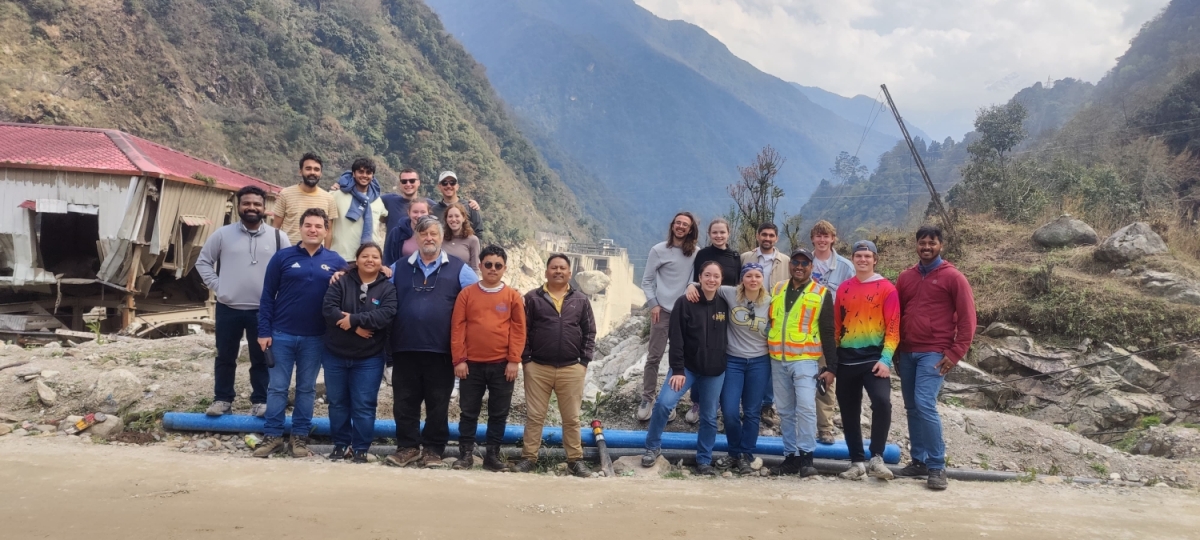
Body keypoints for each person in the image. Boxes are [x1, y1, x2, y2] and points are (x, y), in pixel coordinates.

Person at [383, 216, 480, 468]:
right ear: (416, 238)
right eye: (423, 234)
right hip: (404, 347)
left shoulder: (460, 269)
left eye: (433, 234)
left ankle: (433, 450)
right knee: (404, 402)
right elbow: (378, 293)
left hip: (442, 350)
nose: (429, 238)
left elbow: (477, 299)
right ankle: (407, 448)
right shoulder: (398, 267)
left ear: (441, 238)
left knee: (438, 402)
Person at [253, 209, 346, 458]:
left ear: (326, 230)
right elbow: (267, 296)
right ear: (301, 228)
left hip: (316, 337)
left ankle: (300, 439)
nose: (313, 230)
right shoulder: (283, 257)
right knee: (277, 388)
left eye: (318, 226)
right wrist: (264, 331)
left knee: (306, 389)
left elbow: (360, 278)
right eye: (308, 225)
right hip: (281, 334)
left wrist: (384, 270)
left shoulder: (336, 260)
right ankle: (272, 436)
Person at [195, 186, 290, 418]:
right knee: (225, 356)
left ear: (264, 208)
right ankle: (223, 399)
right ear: (238, 206)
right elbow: (203, 262)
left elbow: (287, 269)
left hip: (263, 310)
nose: (251, 208)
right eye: (246, 203)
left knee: (262, 358)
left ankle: (260, 401)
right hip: (229, 308)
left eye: (257, 204)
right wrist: (220, 287)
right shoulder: (222, 234)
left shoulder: (278, 237)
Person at [895, 225, 977, 491]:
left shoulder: (953, 277)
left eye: (932, 242)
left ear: (941, 245)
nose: (926, 247)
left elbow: (968, 321)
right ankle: (918, 460)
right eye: (922, 242)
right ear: (916, 245)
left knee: (924, 403)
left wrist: (954, 353)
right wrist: (894, 350)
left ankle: (936, 465)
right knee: (911, 406)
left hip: (934, 351)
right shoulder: (906, 277)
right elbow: (896, 315)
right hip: (906, 352)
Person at [512, 254, 596, 477]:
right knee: (535, 416)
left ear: (569, 273)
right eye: (553, 268)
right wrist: (527, 360)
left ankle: (575, 461)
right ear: (546, 271)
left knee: (571, 418)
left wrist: (584, 362)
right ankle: (529, 458)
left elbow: (589, 332)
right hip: (538, 368)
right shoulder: (532, 298)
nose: (558, 271)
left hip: (571, 368)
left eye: (562, 268)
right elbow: (523, 331)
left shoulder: (580, 300)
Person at [641, 261, 729, 475]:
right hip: (687, 367)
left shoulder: (725, 304)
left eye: (716, 276)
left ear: (721, 280)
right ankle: (652, 447)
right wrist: (678, 370)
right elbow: (677, 337)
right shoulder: (685, 302)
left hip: (714, 371)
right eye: (707, 275)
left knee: (708, 417)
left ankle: (704, 460)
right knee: (664, 403)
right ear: (699, 277)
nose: (711, 280)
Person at [683, 262, 771, 475]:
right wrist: (690, 286)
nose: (753, 280)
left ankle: (746, 455)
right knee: (730, 411)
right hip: (733, 361)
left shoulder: (770, 302)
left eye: (757, 276)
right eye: (748, 275)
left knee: (751, 412)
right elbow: (707, 284)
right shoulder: (730, 293)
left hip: (760, 361)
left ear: (762, 279)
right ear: (742, 279)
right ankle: (734, 451)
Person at [450, 245, 526, 471]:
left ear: (505, 268)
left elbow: (519, 329)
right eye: (488, 264)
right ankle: (465, 455)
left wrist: (514, 360)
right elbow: (457, 328)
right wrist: (459, 359)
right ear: (480, 266)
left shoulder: (512, 296)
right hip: (471, 365)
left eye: (498, 265)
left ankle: (492, 456)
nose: (493, 269)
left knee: (499, 412)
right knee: (468, 411)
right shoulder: (467, 294)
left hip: (503, 366)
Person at [320, 242, 396, 463]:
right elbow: (328, 309)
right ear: (357, 259)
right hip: (335, 354)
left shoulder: (388, 288)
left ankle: (361, 447)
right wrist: (356, 327)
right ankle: (340, 444)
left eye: (375, 256)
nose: (370, 260)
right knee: (337, 402)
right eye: (365, 256)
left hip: (369, 358)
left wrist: (352, 319)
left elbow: (386, 315)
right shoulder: (341, 282)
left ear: (381, 262)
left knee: (364, 403)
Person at [832, 240, 898, 481]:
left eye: (867, 256)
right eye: (858, 256)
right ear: (853, 259)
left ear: (875, 259)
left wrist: (886, 359)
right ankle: (857, 461)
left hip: (874, 359)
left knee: (882, 403)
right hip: (846, 360)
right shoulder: (843, 288)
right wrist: (833, 361)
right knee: (849, 412)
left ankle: (877, 457)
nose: (862, 260)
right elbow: (837, 326)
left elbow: (893, 328)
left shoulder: (886, 288)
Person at [767, 248, 836, 477]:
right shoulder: (777, 289)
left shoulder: (821, 293)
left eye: (804, 263)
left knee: (806, 407)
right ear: (790, 265)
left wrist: (832, 368)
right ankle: (790, 457)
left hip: (806, 360)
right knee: (786, 411)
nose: (799, 266)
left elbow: (828, 331)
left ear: (811, 267)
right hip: (778, 359)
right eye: (795, 261)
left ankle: (807, 457)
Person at [637, 212, 699, 421]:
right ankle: (648, 397)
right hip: (662, 311)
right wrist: (653, 304)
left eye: (685, 224)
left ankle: (669, 400)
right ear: (673, 226)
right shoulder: (659, 250)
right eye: (678, 223)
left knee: (678, 359)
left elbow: (694, 281)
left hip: (684, 314)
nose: (681, 227)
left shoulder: (695, 253)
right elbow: (646, 281)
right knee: (654, 356)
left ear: (690, 229)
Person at [682, 217, 740, 424]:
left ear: (728, 234)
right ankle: (697, 401)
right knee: (701, 349)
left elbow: (739, 285)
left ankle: (716, 401)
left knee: (722, 352)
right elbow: (696, 277)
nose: (718, 236)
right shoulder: (703, 254)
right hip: (704, 306)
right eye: (715, 232)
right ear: (709, 234)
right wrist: (690, 285)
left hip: (727, 309)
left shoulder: (735, 256)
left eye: (722, 232)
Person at [809, 219, 854, 444]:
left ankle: (825, 428)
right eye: (818, 236)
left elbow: (854, 299)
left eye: (826, 236)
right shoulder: (804, 263)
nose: (822, 240)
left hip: (832, 332)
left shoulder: (845, 267)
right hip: (804, 331)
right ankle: (802, 425)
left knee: (825, 378)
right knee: (801, 377)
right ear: (812, 239)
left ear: (833, 239)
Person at [741, 223, 788, 423]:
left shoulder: (786, 261)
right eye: (764, 234)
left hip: (775, 315)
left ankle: (767, 404)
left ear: (776, 238)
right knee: (747, 355)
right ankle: (745, 403)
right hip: (750, 314)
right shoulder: (746, 257)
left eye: (771, 235)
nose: (767, 238)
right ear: (757, 236)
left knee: (771, 358)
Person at [271, 153, 339, 247]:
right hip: (289, 253)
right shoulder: (285, 194)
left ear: (321, 173)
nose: (312, 172)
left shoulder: (329, 199)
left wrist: (326, 254)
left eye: (316, 169)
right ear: (300, 171)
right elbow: (275, 228)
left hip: (317, 256)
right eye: (308, 168)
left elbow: (329, 232)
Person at [329, 158, 387, 261]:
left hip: (368, 260)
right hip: (341, 257)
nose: (364, 175)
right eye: (360, 171)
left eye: (368, 172)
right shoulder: (337, 195)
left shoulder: (377, 200)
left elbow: (384, 219)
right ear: (353, 174)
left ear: (372, 176)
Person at [382, 199, 431, 267]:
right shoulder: (397, 232)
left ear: (428, 213)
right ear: (408, 212)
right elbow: (388, 258)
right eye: (415, 212)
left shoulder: (433, 234)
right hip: (401, 274)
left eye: (423, 212)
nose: (419, 215)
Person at [441, 202, 481, 274]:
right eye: (450, 216)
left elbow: (475, 269)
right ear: (446, 219)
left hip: (463, 283)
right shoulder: (440, 239)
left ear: (463, 218)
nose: (453, 219)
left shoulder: (473, 240)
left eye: (457, 216)